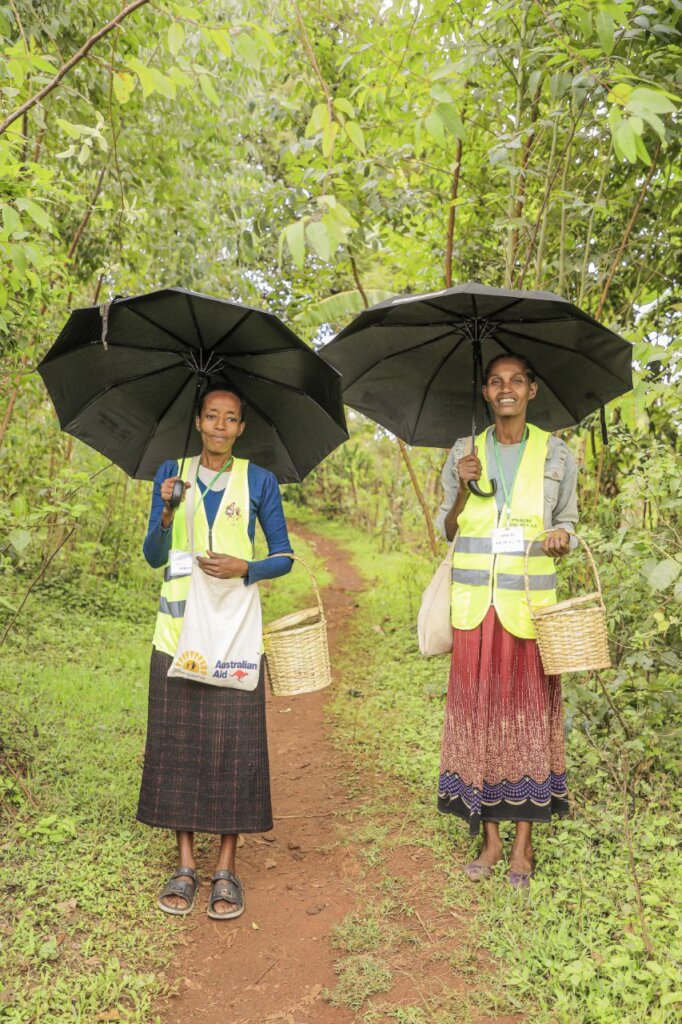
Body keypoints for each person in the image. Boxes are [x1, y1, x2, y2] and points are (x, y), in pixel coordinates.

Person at [137, 385, 292, 918]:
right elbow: (154, 556)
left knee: (234, 746)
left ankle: (225, 867)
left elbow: (284, 557)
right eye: (211, 416)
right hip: (177, 634)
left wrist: (245, 567)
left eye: (230, 419)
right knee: (179, 744)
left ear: (241, 428)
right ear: (198, 422)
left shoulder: (260, 481)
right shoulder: (170, 474)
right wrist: (164, 512)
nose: (220, 426)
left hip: (232, 636)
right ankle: (185, 866)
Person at [435, 354, 578, 887]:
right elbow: (448, 528)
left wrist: (562, 537)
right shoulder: (463, 453)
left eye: (517, 380)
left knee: (528, 719)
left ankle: (524, 846)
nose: (506, 389)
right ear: (485, 392)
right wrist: (464, 484)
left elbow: (565, 522)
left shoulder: (556, 453)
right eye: (496, 381)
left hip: (527, 608)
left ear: (532, 390)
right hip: (475, 608)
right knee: (479, 717)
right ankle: (491, 839)